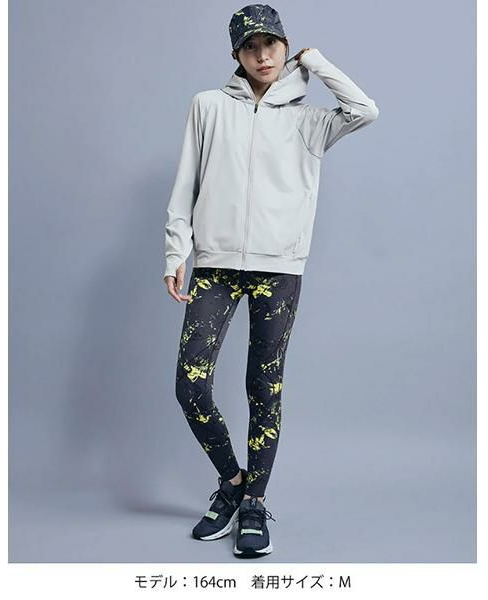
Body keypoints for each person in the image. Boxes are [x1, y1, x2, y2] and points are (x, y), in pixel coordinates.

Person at [163, 3, 379, 558]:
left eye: (272, 45)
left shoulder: (310, 121)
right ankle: (232, 481)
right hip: (214, 265)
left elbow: (365, 109)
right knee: (191, 386)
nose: (262, 56)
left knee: (264, 387)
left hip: (278, 269)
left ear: (286, 48)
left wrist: (317, 62)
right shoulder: (208, 106)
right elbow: (186, 181)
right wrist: (176, 252)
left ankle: (255, 503)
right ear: (236, 54)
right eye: (250, 47)